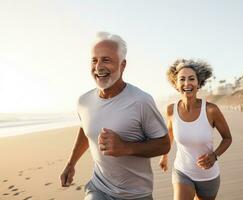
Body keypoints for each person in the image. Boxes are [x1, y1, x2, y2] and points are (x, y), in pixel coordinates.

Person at [60, 31, 170, 200]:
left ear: (122, 65)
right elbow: (86, 129)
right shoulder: (84, 101)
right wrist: (70, 164)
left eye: (106, 60)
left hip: (136, 195)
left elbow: (163, 145)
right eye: (94, 60)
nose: (98, 67)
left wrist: (126, 147)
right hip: (99, 188)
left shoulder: (141, 100)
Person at [159, 59, 232, 200]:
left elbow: (227, 138)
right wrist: (164, 155)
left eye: (191, 79)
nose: (187, 83)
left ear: (198, 84)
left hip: (208, 175)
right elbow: (170, 133)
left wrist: (214, 155)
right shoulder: (171, 110)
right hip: (182, 171)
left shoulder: (211, 110)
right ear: (176, 84)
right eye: (182, 79)